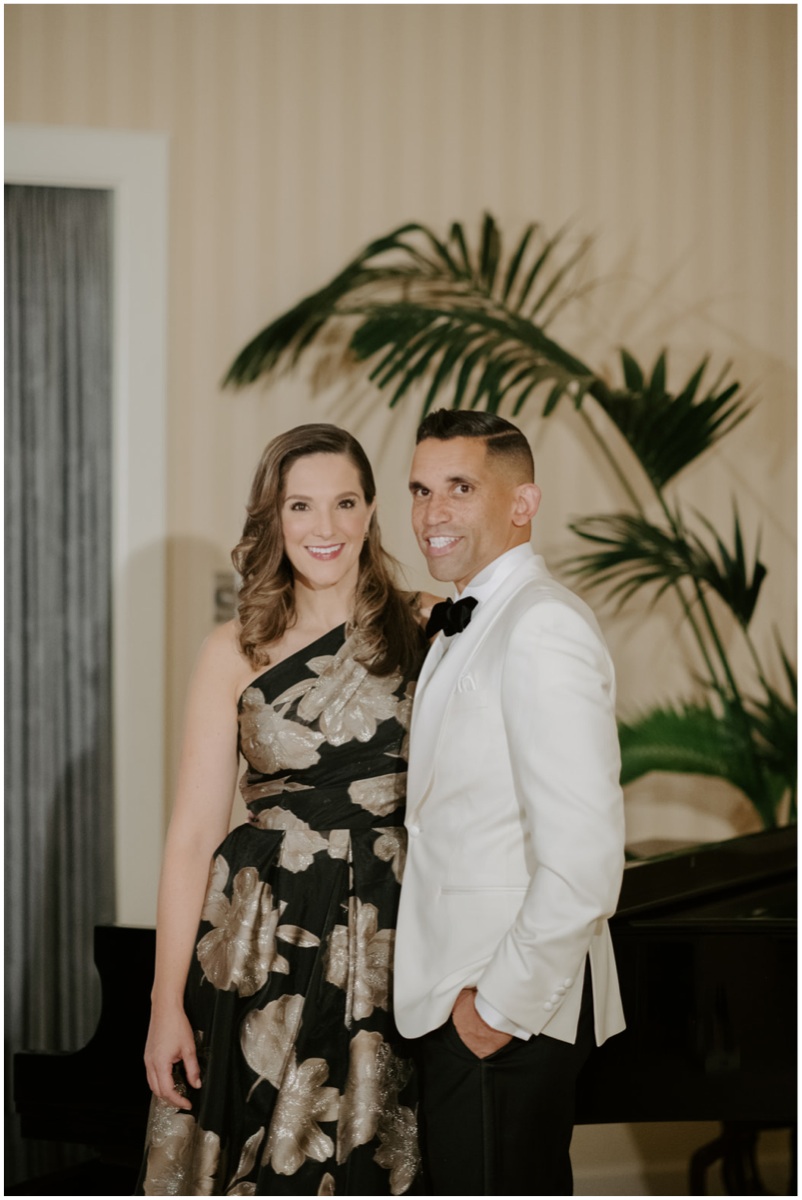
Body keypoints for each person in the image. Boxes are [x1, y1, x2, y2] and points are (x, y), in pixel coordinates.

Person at [138, 424, 434, 1197]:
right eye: (301, 505)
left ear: (372, 510)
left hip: (394, 935)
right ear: (273, 517)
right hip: (260, 943)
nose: (324, 526)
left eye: (345, 503)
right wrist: (165, 1003)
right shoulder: (233, 650)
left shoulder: (428, 628)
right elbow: (192, 836)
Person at [393, 409, 626, 1197]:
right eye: (421, 490)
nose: (433, 512)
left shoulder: (542, 625)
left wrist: (497, 1008)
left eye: (461, 487)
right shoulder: (470, 620)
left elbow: (585, 860)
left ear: (523, 503)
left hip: (503, 1006)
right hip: (456, 996)